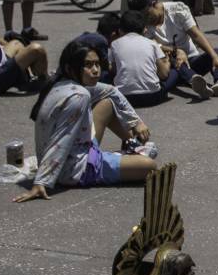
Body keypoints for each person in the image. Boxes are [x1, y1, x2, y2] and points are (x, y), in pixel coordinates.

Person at [14, 41, 156, 202]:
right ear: (70, 68)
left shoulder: (60, 83)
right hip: (76, 169)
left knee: (107, 103)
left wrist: (135, 122)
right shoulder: (79, 96)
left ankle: (132, 144)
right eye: (88, 65)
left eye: (97, 64)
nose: (95, 70)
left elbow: (111, 91)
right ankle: (128, 155)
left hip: (80, 148)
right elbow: (61, 140)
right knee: (149, 166)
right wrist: (41, 182)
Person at [128, 0, 218, 98]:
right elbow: (151, 45)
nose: (147, 20)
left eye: (147, 15)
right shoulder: (142, 25)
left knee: (217, 52)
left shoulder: (177, 10)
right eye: (142, 18)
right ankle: (194, 80)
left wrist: (215, 57)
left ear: (155, 4)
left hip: (191, 61)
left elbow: (196, 35)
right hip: (169, 69)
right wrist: (176, 51)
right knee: (176, 60)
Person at [109, 10, 203, 107]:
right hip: (152, 96)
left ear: (120, 30)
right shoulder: (152, 44)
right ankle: (189, 78)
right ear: (144, 30)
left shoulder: (115, 44)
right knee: (175, 70)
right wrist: (167, 61)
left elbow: (114, 71)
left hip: (124, 98)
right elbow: (164, 74)